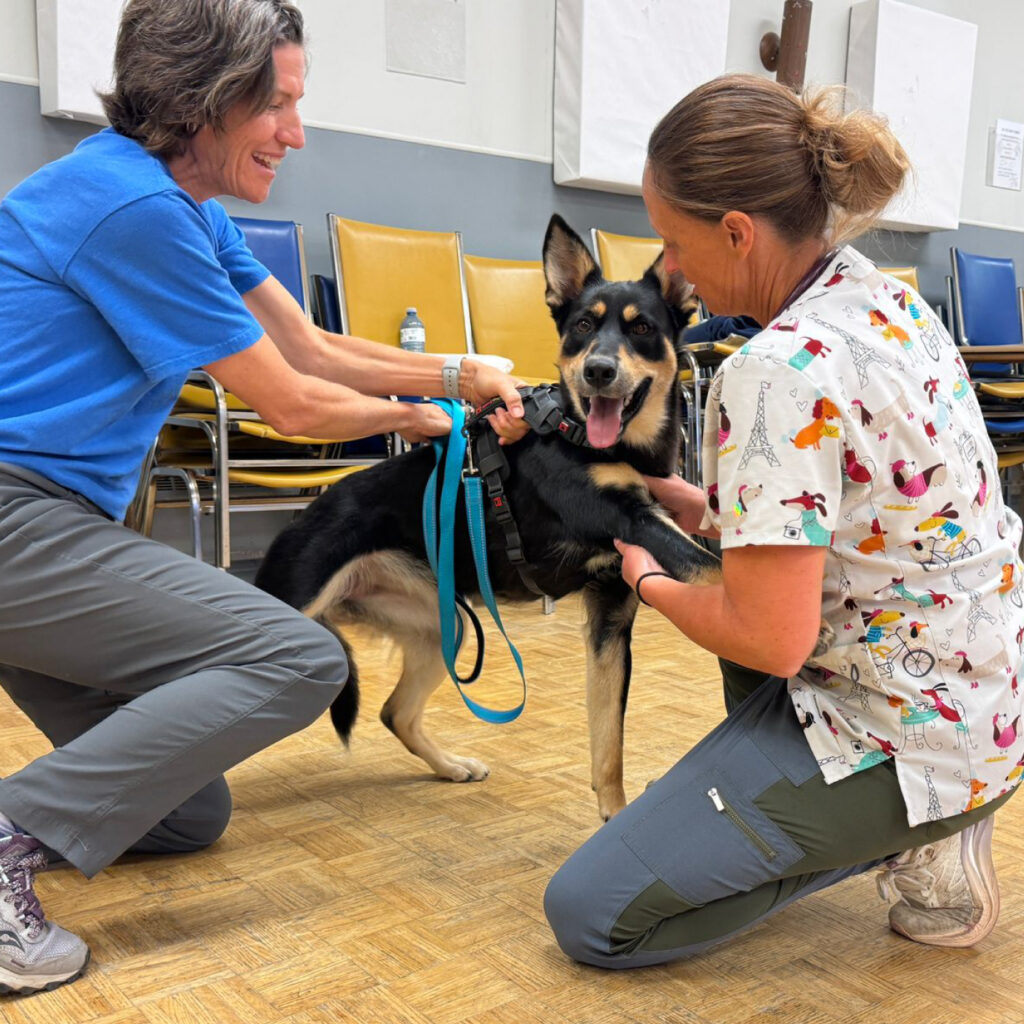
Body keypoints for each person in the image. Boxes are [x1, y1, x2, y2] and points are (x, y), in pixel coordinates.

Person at [0, 0, 524, 995]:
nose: (296, 132)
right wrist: (430, 421)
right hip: (13, 521)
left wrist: (460, 373)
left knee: (187, 816)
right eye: (277, 105)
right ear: (203, 104)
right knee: (295, 654)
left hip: (45, 530)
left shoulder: (185, 209)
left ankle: (29, 815)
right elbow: (289, 400)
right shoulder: (134, 208)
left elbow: (313, 347)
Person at [544, 73, 1024, 968]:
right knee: (731, 578)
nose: (671, 267)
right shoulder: (888, 298)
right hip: (992, 686)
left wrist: (649, 577)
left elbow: (768, 636)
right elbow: (879, 508)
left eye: (673, 242)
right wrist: (717, 513)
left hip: (914, 727)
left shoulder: (773, 369)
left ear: (736, 233)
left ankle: (910, 837)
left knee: (592, 914)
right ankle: (875, 811)